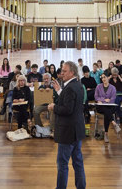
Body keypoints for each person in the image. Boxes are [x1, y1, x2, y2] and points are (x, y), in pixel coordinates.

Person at [49, 61, 85, 189]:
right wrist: (59, 91)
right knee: (78, 162)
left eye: (64, 71)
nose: (61, 73)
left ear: (72, 72)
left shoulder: (70, 88)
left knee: (63, 164)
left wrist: (54, 107)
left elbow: (67, 109)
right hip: (77, 130)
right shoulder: (78, 85)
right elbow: (71, 103)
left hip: (67, 132)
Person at [94, 73, 121, 143]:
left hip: (110, 107)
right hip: (100, 108)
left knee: (107, 112)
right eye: (102, 78)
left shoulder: (113, 88)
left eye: (104, 77)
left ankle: (106, 134)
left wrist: (102, 101)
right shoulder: (98, 87)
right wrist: (104, 100)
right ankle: (114, 123)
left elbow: (112, 99)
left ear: (108, 78)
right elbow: (96, 97)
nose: (103, 79)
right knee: (106, 110)